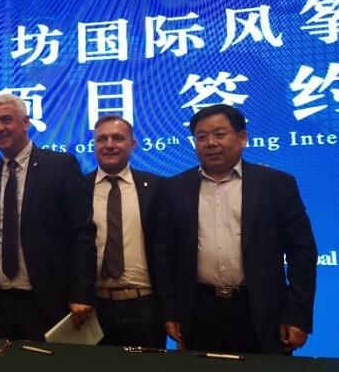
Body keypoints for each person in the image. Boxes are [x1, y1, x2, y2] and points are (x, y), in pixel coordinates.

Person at [157, 104, 317, 354]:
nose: (211, 143)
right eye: (201, 137)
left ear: (242, 138)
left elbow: (302, 253)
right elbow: (165, 257)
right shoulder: (175, 188)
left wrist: (298, 315)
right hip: (199, 311)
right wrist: (171, 312)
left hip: (261, 310)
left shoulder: (275, 184)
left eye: (220, 134)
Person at [0, 94, 96, 341]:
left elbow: (82, 233)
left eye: (6, 119)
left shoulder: (61, 166)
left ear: (26, 122)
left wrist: (81, 294)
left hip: (48, 301)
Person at [86, 115, 168, 348]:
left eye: (118, 138)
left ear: (132, 144)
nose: (109, 144)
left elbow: (167, 251)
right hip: (94, 307)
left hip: (146, 306)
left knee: (147, 369)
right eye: (102, 139)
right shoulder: (78, 188)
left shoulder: (157, 187)